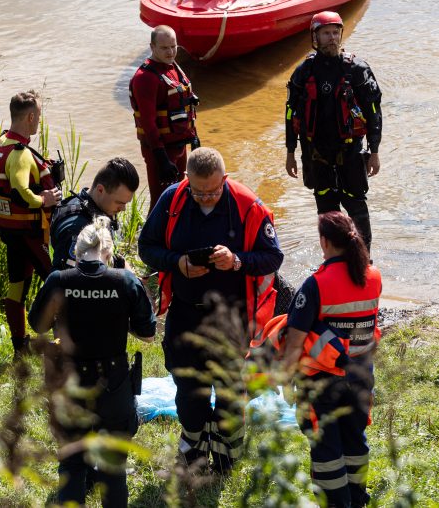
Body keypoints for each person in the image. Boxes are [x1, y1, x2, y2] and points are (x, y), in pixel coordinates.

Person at [138, 147, 283, 474]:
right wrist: (178, 263)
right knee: (189, 391)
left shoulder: (247, 206)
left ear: (225, 180)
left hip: (230, 318)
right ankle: (193, 457)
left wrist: (237, 261)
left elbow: (273, 258)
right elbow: (146, 247)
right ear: (186, 179)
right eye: (198, 192)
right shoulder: (172, 201)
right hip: (186, 312)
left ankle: (227, 460)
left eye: (214, 192)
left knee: (230, 392)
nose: (205, 198)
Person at [28, 217, 156, 507]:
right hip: (114, 385)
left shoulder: (59, 280)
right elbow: (148, 334)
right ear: (108, 252)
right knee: (113, 468)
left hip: (70, 383)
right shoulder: (124, 281)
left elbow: (37, 325)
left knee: (72, 464)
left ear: (77, 250)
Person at [277, 211, 381, 508]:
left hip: (321, 383)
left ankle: (336, 503)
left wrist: (286, 382)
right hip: (361, 375)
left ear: (324, 242)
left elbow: (294, 343)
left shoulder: (315, 285)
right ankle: (357, 498)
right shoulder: (373, 277)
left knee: (326, 449)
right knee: (354, 440)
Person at [285, 11, 383, 250]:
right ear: (315, 37)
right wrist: (290, 152)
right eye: (326, 33)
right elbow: (291, 115)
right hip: (316, 154)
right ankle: (332, 260)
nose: (332, 38)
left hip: (350, 152)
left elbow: (373, 112)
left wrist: (374, 150)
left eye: (335, 32)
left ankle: (364, 259)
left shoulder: (357, 70)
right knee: (326, 213)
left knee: (357, 206)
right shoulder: (303, 72)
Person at [0, 90, 62, 354]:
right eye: (38, 115)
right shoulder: (21, 154)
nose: (39, 120)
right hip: (29, 233)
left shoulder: (0, 143)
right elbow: (19, 192)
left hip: (10, 231)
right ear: (29, 116)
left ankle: (20, 347)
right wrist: (44, 199)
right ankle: (64, 345)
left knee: (18, 286)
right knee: (58, 282)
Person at [129, 25, 200, 212]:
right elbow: (148, 122)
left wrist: (194, 137)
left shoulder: (173, 67)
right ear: (152, 47)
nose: (170, 52)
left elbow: (185, 107)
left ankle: (175, 237)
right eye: (164, 48)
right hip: (160, 151)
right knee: (161, 202)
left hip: (179, 146)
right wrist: (161, 159)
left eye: (173, 46)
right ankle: (152, 239)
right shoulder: (145, 78)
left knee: (180, 197)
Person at [50, 157, 140, 271]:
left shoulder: (98, 207)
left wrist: (129, 274)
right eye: (119, 202)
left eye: (126, 203)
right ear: (100, 190)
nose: (123, 209)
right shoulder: (76, 230)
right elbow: (69, 283)